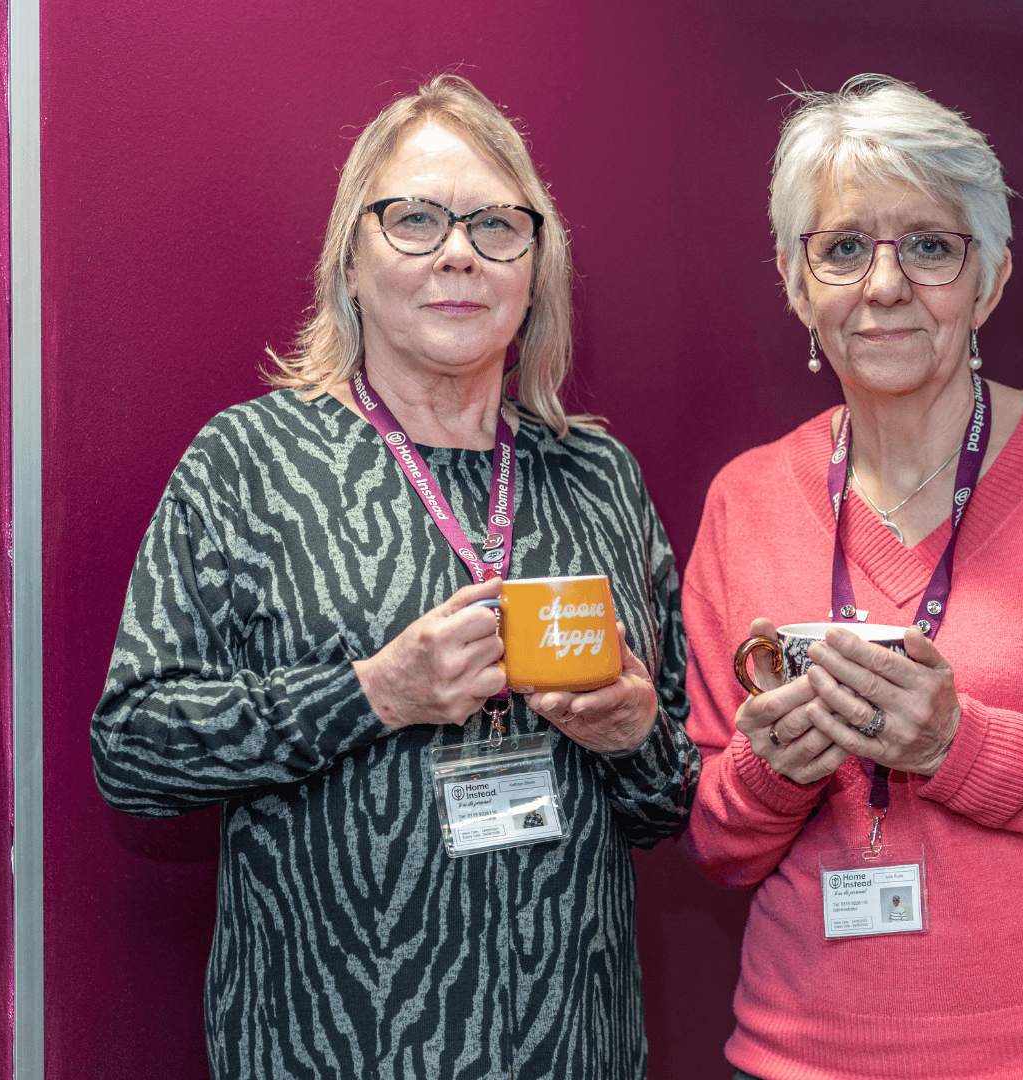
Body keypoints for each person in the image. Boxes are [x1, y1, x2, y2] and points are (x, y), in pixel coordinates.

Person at [92, 74, 698, 1080]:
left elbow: (666, 801)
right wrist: (372, 695)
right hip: (325, 1047)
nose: (458, 252)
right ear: (351, 256)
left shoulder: (599, 477)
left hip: (574, 1048)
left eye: (498, 225)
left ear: (537, 266)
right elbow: (134, 752)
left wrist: (636, 734)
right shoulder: (249, 464)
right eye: (415, 219)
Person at [680, 75, 1023, 1080]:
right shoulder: (743, 502)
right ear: (795, 283)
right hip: (809, 1055)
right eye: (842, 249)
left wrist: (957, 742)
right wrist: (775, 769)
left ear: (989, 280)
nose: (884, 287)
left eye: (929, 246)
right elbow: (720, 841)